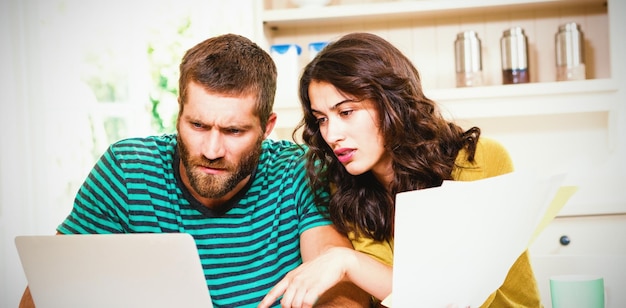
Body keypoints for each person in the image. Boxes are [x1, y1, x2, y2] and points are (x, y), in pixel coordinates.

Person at [18, 33, 370, 308]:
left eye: (233, 131)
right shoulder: (127, 171)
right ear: (179, 113)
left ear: (267, 127)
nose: (212, 151)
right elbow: (46, 294)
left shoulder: (299, 170)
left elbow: (340, 288)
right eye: (198, 125)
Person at [259, 32, 542, 307]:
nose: (332, 135)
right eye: (322, 119)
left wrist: (345, 261)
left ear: (390, 102)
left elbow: (459, 298)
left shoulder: (477, 159)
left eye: (346, 112)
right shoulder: (350, 187)